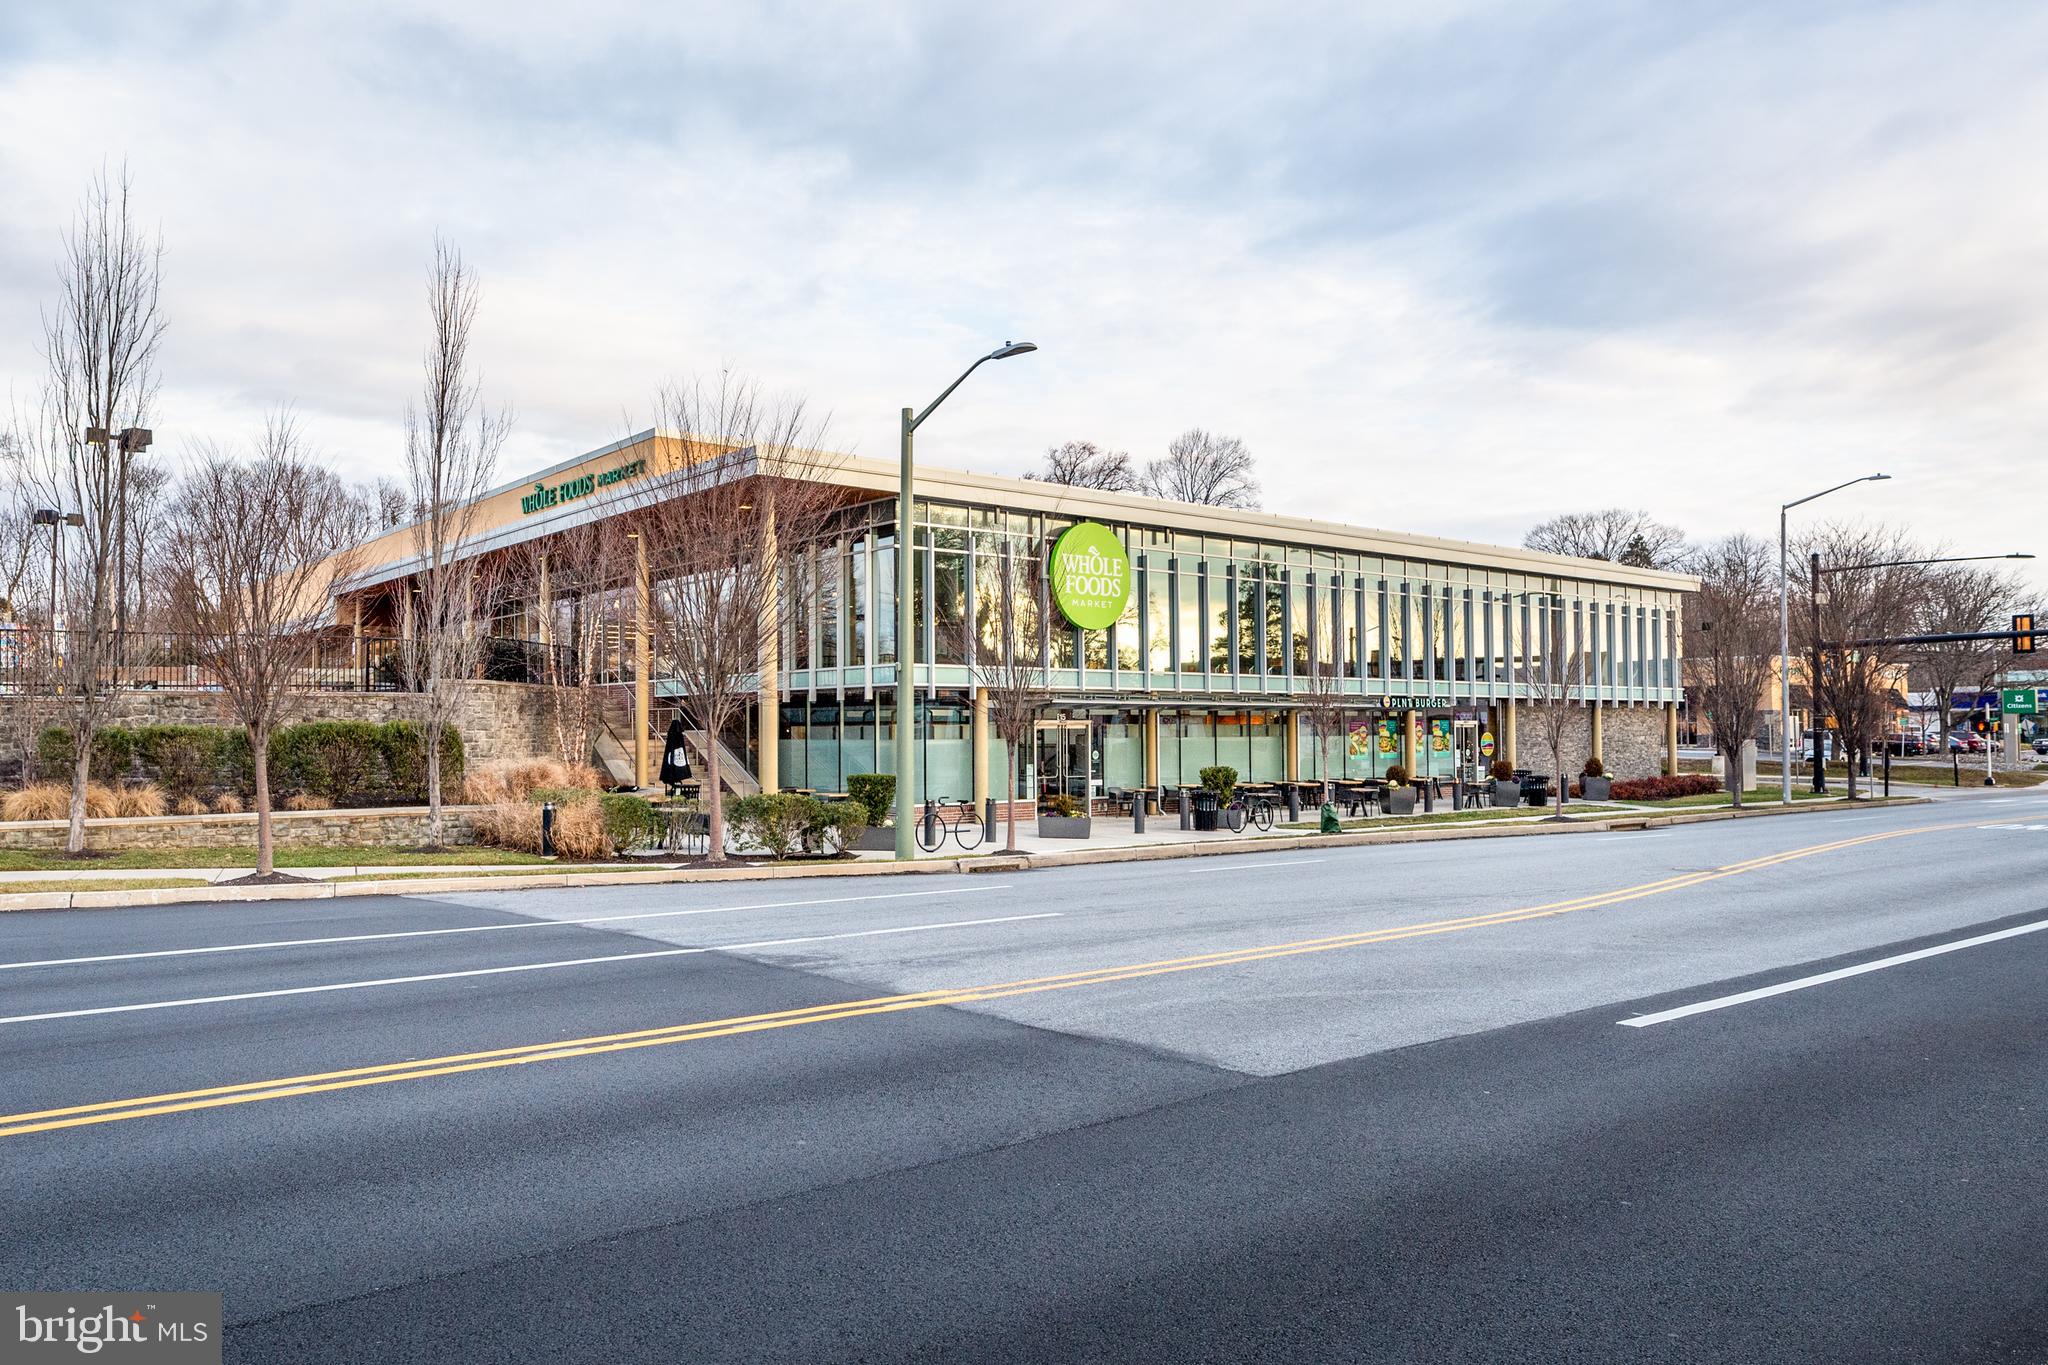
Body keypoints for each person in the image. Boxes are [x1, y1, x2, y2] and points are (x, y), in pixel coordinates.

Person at [657, 714, 693, 794]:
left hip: (674, 762)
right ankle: (676, 789)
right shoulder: (680, 738)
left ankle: (675, 789)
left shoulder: (671, 737)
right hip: (679, 762)